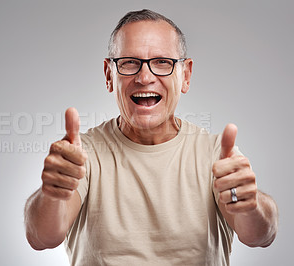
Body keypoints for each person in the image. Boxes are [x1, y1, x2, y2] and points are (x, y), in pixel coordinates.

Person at [24, 9, 278, 265]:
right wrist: (52, 194)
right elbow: (42, 238)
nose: (144, 77)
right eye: (129, 62)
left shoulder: (216, 155)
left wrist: (251, 203)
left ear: (185, 76)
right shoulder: (82, 155)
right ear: (109, 75)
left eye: (162, 62)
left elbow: (260, 235)